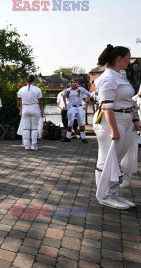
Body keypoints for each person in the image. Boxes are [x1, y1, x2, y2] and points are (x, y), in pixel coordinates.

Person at [93, 44, 139, 209]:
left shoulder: (121, 76)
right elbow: (106, 106)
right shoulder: (108, 78)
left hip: (125, 119)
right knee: (107, 158)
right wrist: (113, 130)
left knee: (117, 158)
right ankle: (104, 195)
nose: (129, 60)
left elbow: (128, 101)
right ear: (120, 58)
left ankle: (114, 193)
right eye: (128, 57)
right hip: (111, 121)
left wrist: (135, 120)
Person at [17, 75, 44, 150]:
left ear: (26, 81)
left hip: (25, 108)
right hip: (35, 108)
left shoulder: (21, 90)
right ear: (34, 81)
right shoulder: (38, 89)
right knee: (34, 128)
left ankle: (26, 145)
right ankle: (34, 145)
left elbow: (19, 103)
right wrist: (42, 111)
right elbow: (40, 102)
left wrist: (20, 111)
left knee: (26, 128)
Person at [61, 79, 91, 143]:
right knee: (70, 122)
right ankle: (68, 137)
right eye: (73, 82)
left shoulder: (81, 89)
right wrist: (65, 104)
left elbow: (88, 94)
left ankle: (83, 137)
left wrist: (87, 103)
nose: (74, 84)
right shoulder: (68, 90)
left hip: (79, 107)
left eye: (76, 82)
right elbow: (63, 96)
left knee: (81, 122)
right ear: (71, 83)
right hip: (71, 107)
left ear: (77, 83)